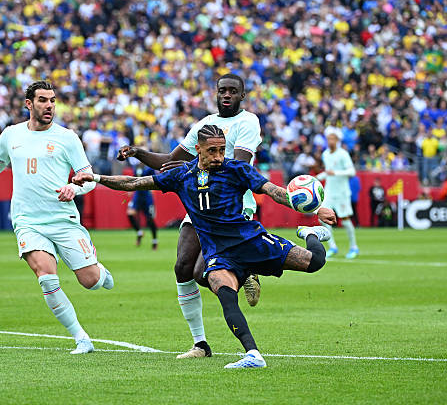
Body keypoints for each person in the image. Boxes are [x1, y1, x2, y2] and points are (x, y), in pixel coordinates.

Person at [72, 124, 337, 368]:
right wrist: (95, 177)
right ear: (198, 149)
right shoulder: (181, 175)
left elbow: (273, 191)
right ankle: (253, 355)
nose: (218, 156)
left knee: (315, 262)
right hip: (219, 253)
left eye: (222, 150)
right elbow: (134, 183)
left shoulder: (237, 169)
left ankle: (310, 234)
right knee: (225, 293)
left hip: (250, 240)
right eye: (212, 151)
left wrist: (314, 210)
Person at [0, 80, 114, 354]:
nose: (49, 106)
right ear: (29, 104)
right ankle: (81, 338)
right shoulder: (11, 135)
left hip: (62, 220)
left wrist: (73, 188)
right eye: (43, 100)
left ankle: (100, 273)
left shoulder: (67, 137)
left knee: (90, 281)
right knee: (46, 277)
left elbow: (89, 178)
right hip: (27, 221)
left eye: (52, 100)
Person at [117, 74, 262, 358]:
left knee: (200, 273)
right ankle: (200, 344)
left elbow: (239, 165)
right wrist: (138, 152)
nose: (227, 95)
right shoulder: (204, 124)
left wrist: (193, 165)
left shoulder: (248, 122)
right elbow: (171, 161)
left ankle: (245, 269)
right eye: (223, 90)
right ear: (216, 93)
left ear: (242, 95)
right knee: (183, 267)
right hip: (200, 203)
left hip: (231, 206)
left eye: (233, 91)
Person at [317, 129, 359, 258]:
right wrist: (316, 178)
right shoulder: (325, 154)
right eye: (328, 139)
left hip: (342, 192)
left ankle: (354, 247)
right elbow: (328, 172)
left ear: (337, 140)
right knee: (322, 217)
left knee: (345, 219)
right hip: (329, 191)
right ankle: (332, 246)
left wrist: (336, 173)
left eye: (333, 139)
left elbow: (352, 172)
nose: (330, 141)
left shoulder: (343, 154)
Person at [128, 164, 158, 249]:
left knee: (150, 219)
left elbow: (155, 179)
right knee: (130, 214)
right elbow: (134, 179)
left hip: (147, 195)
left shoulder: (150, 167)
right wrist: (130, 189)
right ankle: (139, 232)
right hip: (137, 195)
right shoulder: (136, 167)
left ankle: (154, 241)